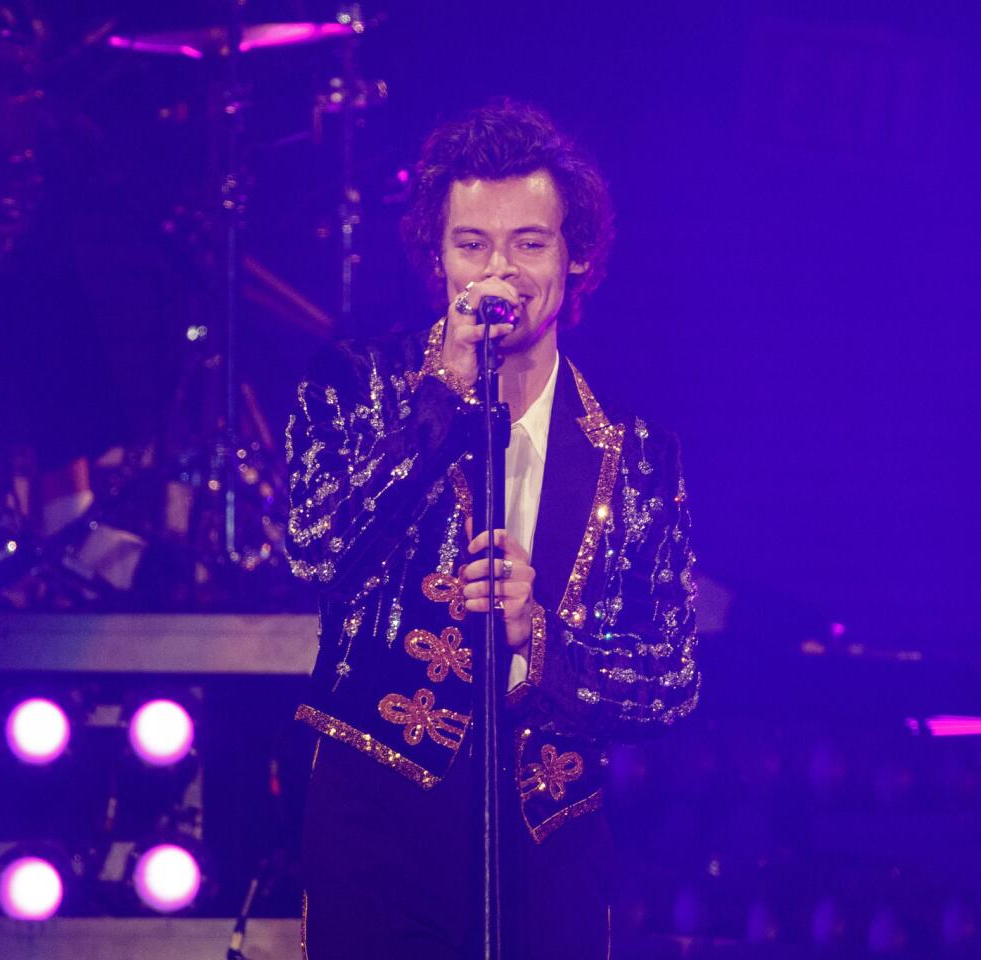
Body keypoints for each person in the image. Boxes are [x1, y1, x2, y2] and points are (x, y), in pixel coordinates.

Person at [286, 99, 700, 958]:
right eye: (472, 244)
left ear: (575, 256)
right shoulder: (356, 385)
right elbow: (315, 551)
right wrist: (437, 398)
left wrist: (538, 638)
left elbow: (671, 680)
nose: (499, 271)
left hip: (549, 836)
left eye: (530, 243)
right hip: (378, 820)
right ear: (436, 255)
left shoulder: (635, 449)